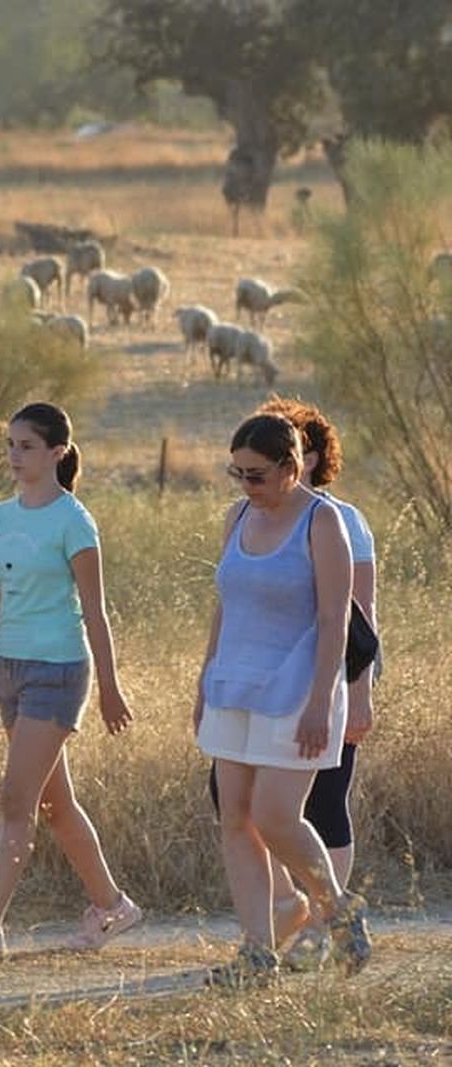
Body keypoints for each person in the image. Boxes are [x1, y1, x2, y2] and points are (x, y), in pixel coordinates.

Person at [0, 402, 142, 956]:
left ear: (57, 452)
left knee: (16, 800)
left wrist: (109, 685)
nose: (14, 455)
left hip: (58, 671)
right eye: (10, 444)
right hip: (10, 669)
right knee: (55, 805)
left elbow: (95, 610)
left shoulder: (73, 521)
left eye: (26, 446)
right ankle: (112, 905)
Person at [195, 413, 371, 984]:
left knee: (275, 816)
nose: (246, 486)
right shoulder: (237, 516)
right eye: (237, 473)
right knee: (235, 818)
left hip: (297, 688)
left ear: (293, 468)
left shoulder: (324, 523)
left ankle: (338, 910)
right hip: (234, 685)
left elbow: (334, 621)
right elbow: (225, 604)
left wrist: (324, 701)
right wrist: (206, 678)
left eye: (257, 475)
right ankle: (256, 954)